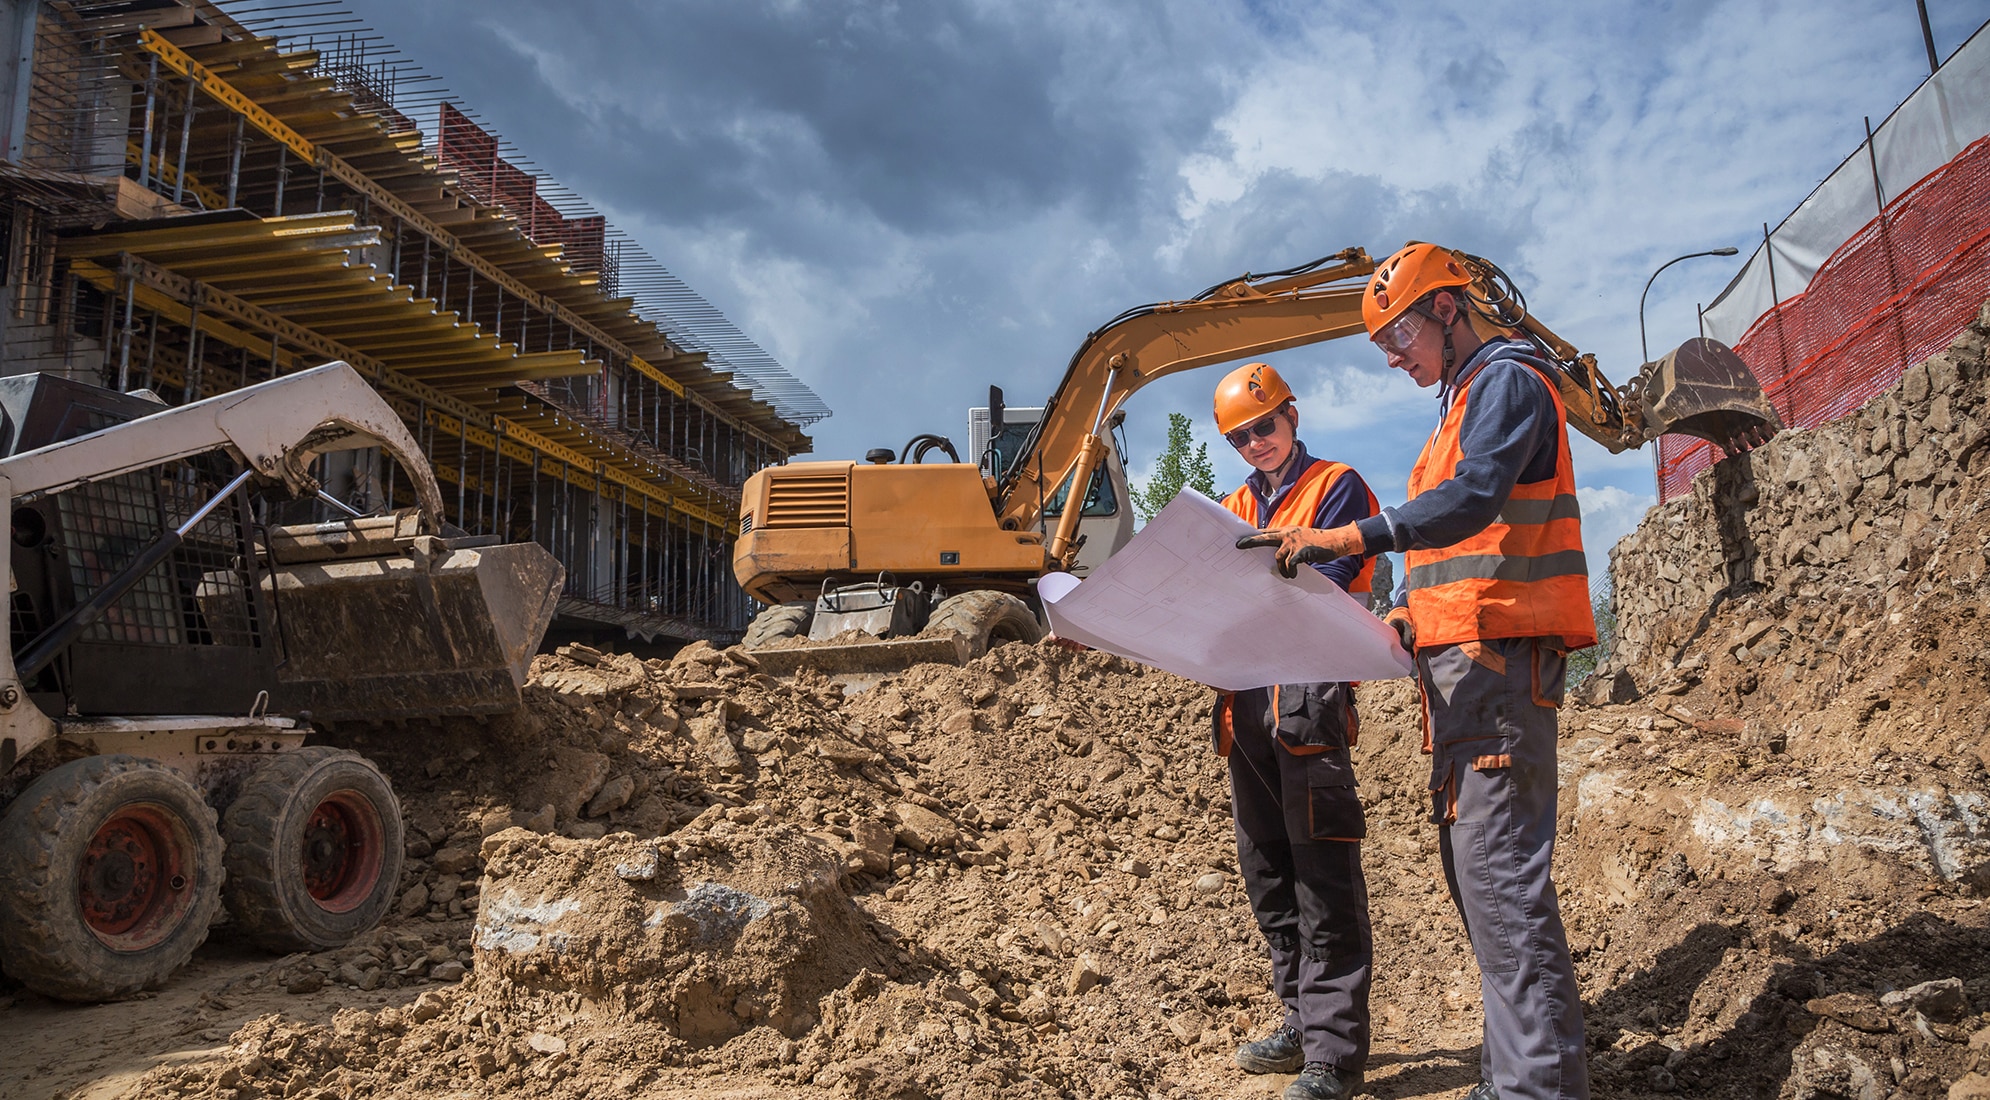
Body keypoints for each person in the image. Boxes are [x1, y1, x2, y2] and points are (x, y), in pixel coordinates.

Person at [1236, 244, 1596, 1100]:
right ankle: (1515, 1073)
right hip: (1467, 680)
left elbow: (1471, 501)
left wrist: (1350, 538)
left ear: (1446, 308)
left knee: (1503, 891)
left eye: (1398, 337)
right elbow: (1462, 551)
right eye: (1382, 348)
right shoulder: (1460, 400)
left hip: (1500, 673)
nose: (1394, 360)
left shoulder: (1507, 380)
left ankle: (1536, 1089)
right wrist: (1405, 612)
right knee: (1483, 892)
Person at [1213, 362, 1381, 1100]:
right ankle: (1300, 1023)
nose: (1256, 443)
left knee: (1323, 876)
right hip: (1245, 706)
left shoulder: (1337, 487)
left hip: (1307, 701)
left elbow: (1332, 587)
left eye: (1265, 426)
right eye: (1240, 436)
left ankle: (1334, 1054)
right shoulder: (1227, 507)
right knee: (1269, 873)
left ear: (1292, 415)